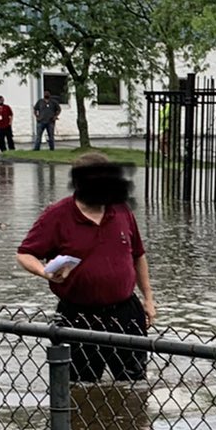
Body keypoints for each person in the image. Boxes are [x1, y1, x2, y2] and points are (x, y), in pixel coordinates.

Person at [16, 153, 156, 382]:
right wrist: (44, 272)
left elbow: (138, 255)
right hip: (78, 316)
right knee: (81, 385)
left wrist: (148, 299)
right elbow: (24, 254)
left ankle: (133, 416)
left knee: (135, 383)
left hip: (126, 313)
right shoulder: (57, 215)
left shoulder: (121, 210)